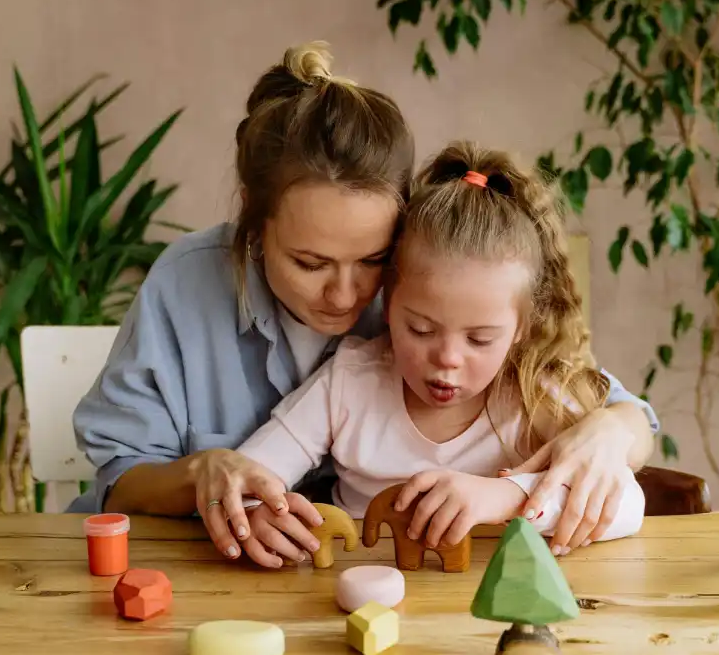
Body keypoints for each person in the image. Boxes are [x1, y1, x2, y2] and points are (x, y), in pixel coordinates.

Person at [70, 42, 658, 560]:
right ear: (253, 220)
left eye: (372, 260)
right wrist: (208, 476)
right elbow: (120, 481)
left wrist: (605, 433)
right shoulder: (189, 287)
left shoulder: (429, 277)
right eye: (310, 263)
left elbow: (615, 413)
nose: (346, 294)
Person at [234, 142, 649, 568]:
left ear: (521, 329)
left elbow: (628, 506)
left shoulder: (531, 393)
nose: (448, 358)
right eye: (421, 329)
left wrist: (504, 496)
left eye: (481, 339)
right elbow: (247, 476)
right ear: (388, 302)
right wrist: (258, 512)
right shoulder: (350, 380)